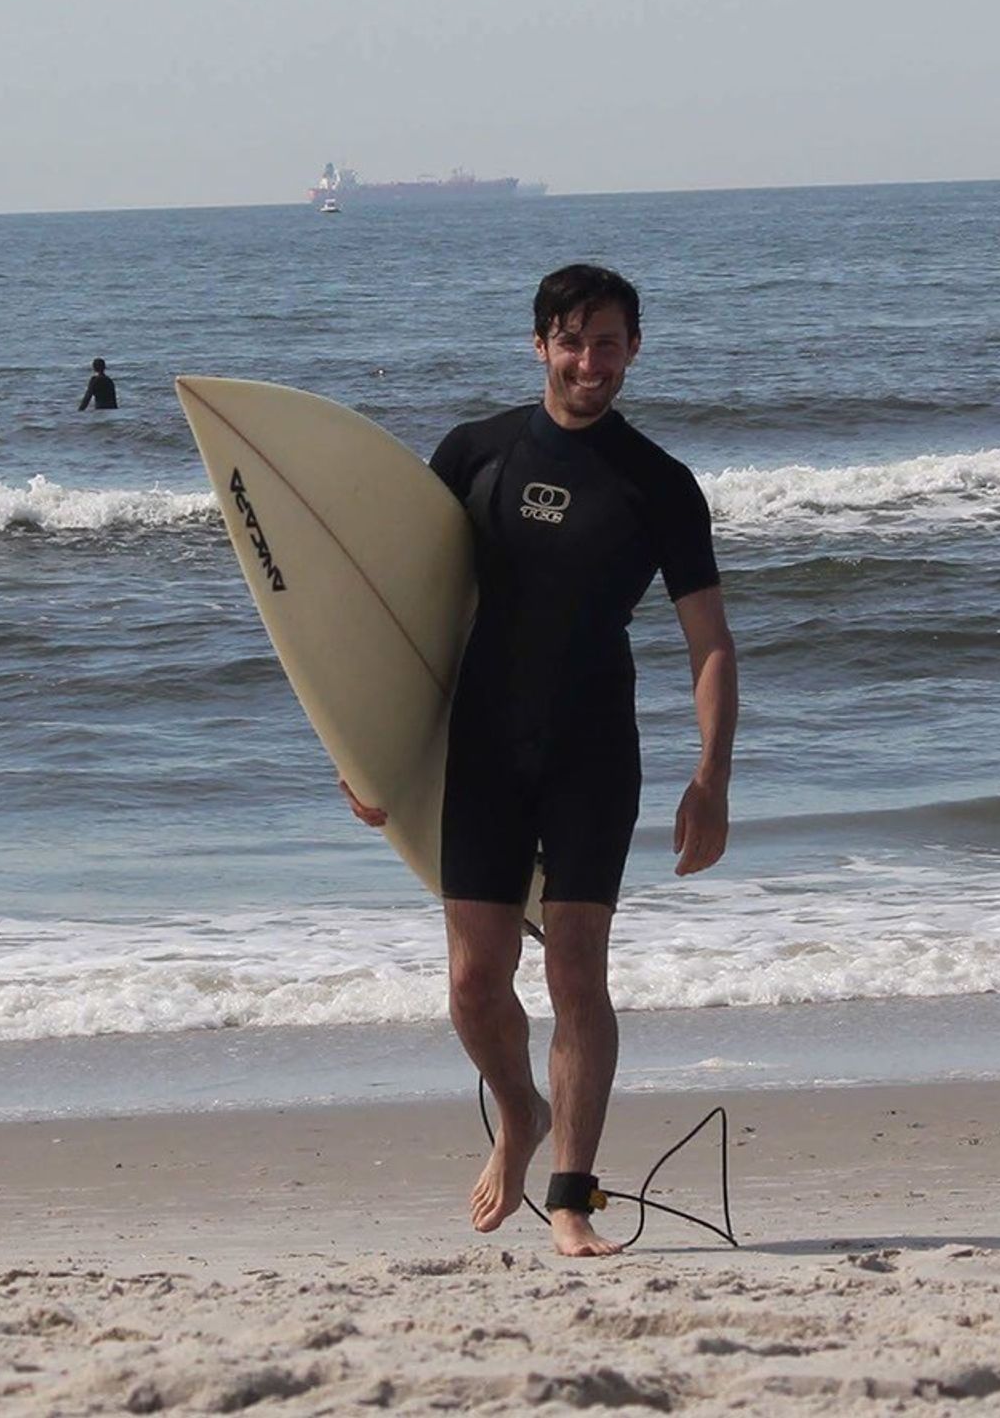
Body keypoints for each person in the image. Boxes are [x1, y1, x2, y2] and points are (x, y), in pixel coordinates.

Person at [340, 263, 737, 1258]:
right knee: (474, 984)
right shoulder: (473, 454)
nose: (588, 362)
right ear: (538, 345)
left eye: (607, 343)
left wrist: (711, 776)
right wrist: (367, 752)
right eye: (571, 341)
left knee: (575, 973)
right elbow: (400, 616)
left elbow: (709, 641)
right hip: (481, 743)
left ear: (631, 349)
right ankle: (517, 1111)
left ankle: (571, 1195)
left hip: (591, 748)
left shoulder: (657, 484)